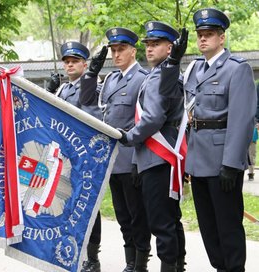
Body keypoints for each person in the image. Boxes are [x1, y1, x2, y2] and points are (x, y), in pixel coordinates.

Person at [160, 8, 257, 272]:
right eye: (200, 35)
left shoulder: (237, 70)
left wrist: (232, 163)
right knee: (208, 228)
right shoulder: (193, 69)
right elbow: (168, 95)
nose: (203, 39)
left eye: (209, 34)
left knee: (228, 227)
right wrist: (172, 62)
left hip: (222, 160)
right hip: (197, 161)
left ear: (221, 37)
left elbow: (242, 119)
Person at [118, 21, 188, 272]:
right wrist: (137, 159)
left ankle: (171, 267)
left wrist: (129, 137)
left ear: (170, 48)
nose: (149, 49)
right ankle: (177, 266)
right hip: (153, 158)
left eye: (155, 44)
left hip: (160, 157)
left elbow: (153, 118)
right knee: (169, 219)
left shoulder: (163, 76)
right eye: (147, 44)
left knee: (161, 222)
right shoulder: (156, 75)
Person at [80, 27, 152, 272]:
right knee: (122, 215)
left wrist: (136, 161)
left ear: (133, 51)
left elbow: (143, 121)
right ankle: (130, 262)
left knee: (136, 215)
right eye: (113, 50)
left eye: (121, 49)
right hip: (112, 160)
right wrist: (91, 72)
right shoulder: (111, 79)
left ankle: (140, 264)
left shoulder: (143, 78)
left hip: (132, 157)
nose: (116, 54)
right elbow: (88, 101)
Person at [46, 41, 102, 272]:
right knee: (66, 204)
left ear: (84, 64)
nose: (69, 65)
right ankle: (70, 251)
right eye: (66, 62)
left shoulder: (91, 87)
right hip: (64, 158)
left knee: (88, 206)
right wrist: (49, 92)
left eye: (74, 61)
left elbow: (88, 117)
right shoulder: (64, 89)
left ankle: (92, 257)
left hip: (83, 158)